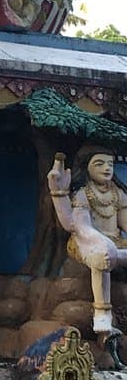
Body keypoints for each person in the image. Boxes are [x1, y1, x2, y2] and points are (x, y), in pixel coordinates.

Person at [48, 144, 127, 367]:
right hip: (87, 241)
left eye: (110, 164)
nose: (106, 168)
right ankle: (102, 319)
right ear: (87, 167)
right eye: (99, 163)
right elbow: (78, 226)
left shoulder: (117, 194)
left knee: (109, 251)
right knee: (103, 257)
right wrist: (58, 194)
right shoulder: (83, 192)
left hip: (115, 241)